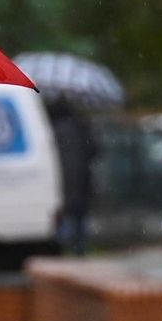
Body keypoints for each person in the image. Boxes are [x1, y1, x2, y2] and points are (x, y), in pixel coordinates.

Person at [46, 97, 98, 256]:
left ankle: (61, 247)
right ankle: (79, 248)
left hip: (59, 179)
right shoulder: (81, 127)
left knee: (62, 216)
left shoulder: (50, 130)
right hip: (81, 181)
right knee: (79, 217)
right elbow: (95, 151)